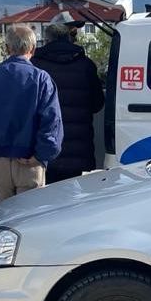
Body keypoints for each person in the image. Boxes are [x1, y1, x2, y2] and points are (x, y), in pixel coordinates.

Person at [0, 23, 63, 201]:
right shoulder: (42, 79)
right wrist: (41, 154)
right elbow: (52, 123)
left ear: (6, 48)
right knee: (29, 220)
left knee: (1, 218)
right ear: (33, 49)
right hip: (30, 161)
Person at [32, 14, 105, 183]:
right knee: (70, 198)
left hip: (45, 145)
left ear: (47, 38)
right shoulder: (86, 65)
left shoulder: (35, 65)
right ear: (68, 37)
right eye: (73, 33)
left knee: (46, 198)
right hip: (77, 149)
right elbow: (97, 104)